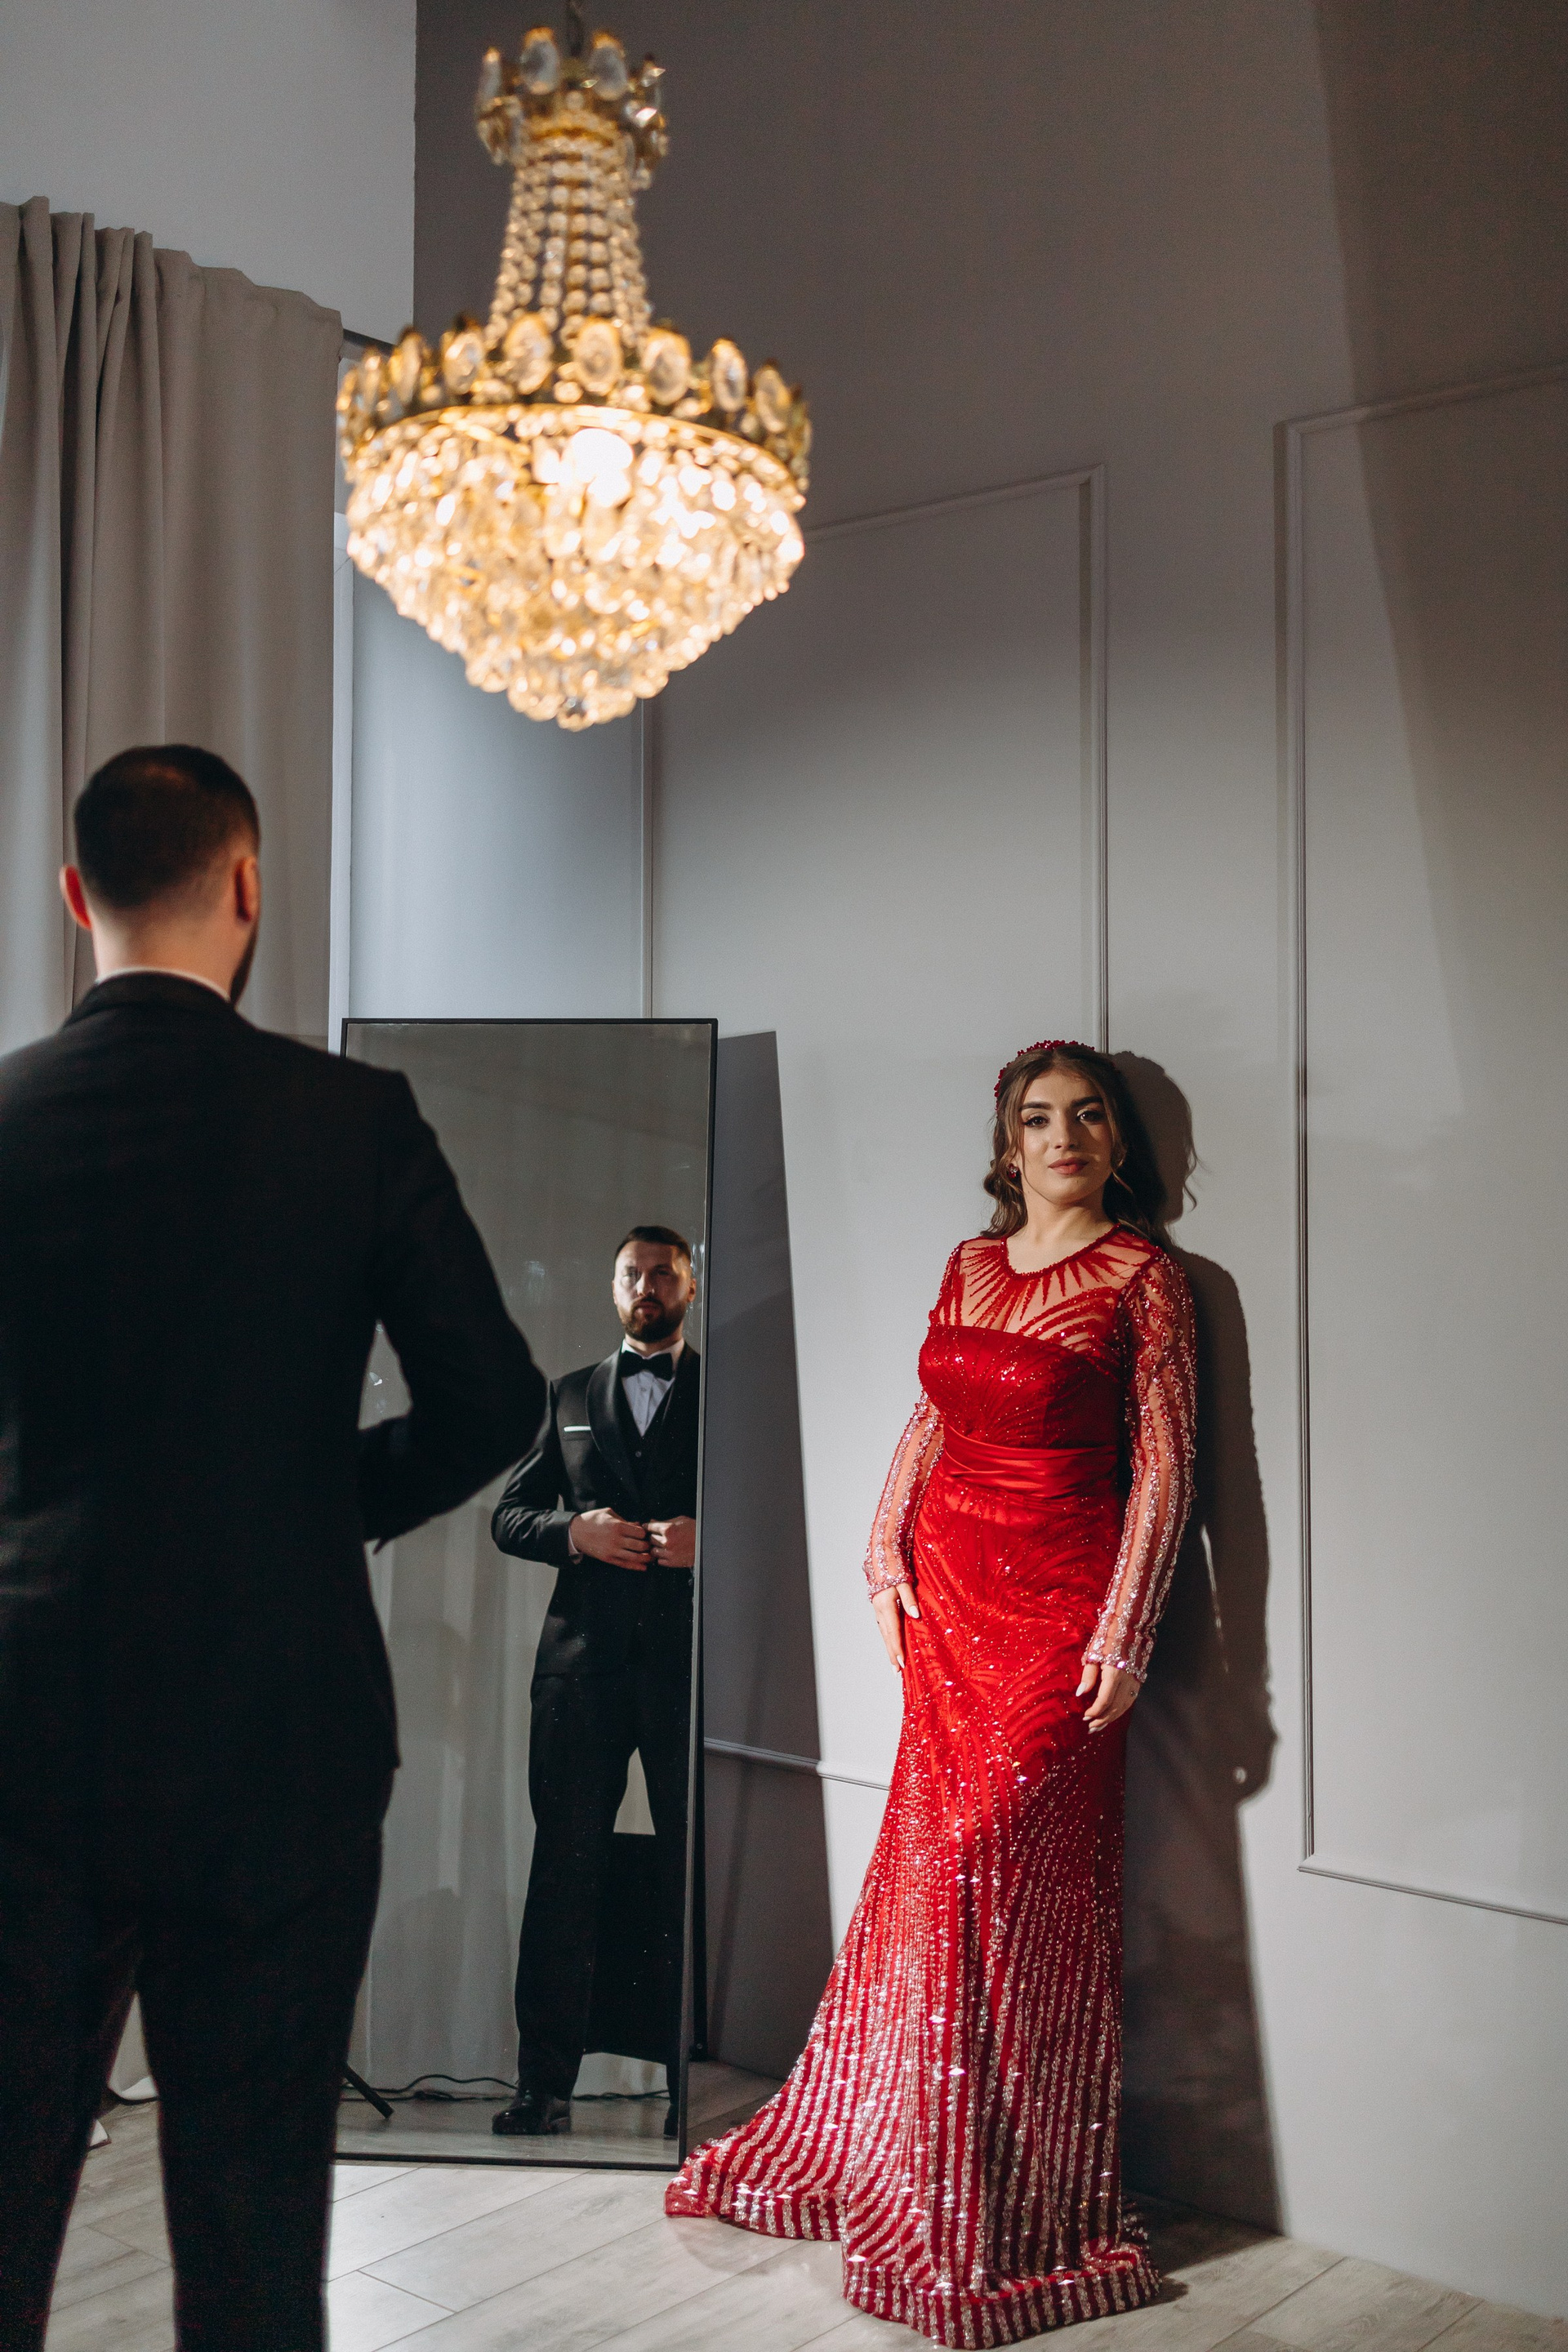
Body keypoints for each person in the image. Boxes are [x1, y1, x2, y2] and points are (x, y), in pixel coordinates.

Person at [0, 745, 546, 2352]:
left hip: (25, 1730)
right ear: (247, 886)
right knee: (253, 2235)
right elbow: (495, 1400)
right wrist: (316, 1504)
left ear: (75, 895)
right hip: (279, 1737)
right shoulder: (351, 1119)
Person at [667, 1041, 1197, 2345]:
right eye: (1039, 1117)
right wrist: (881, 1552)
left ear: (1117, 1142)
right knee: (927, 1871)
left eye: (1088, 1116)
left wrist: (1128, 1631)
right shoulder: (969, 1263)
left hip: (1060, 1611)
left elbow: (1167, 1463)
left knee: (984, 1872)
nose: (1064, 1136)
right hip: (945, 1600)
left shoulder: (1146, 1278)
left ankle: (1004, 2195)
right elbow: (929, 1417)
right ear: (1008, 1144)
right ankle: (919, 2160)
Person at [489, 1225, 701, 2140]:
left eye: (662, 1274)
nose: (645, 1286)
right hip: (578, 1673)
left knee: (690, 1875)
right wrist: (573, 1533)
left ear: (689, 1286)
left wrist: (709, 1538)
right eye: (631, 1274)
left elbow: (778, 1515)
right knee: (563, 1873)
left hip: (688, 1673)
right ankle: (543, 2086)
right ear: (614, 1288)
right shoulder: (570, 1393)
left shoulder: (724, 1395)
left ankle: (692, 2086)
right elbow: (508, 1515)